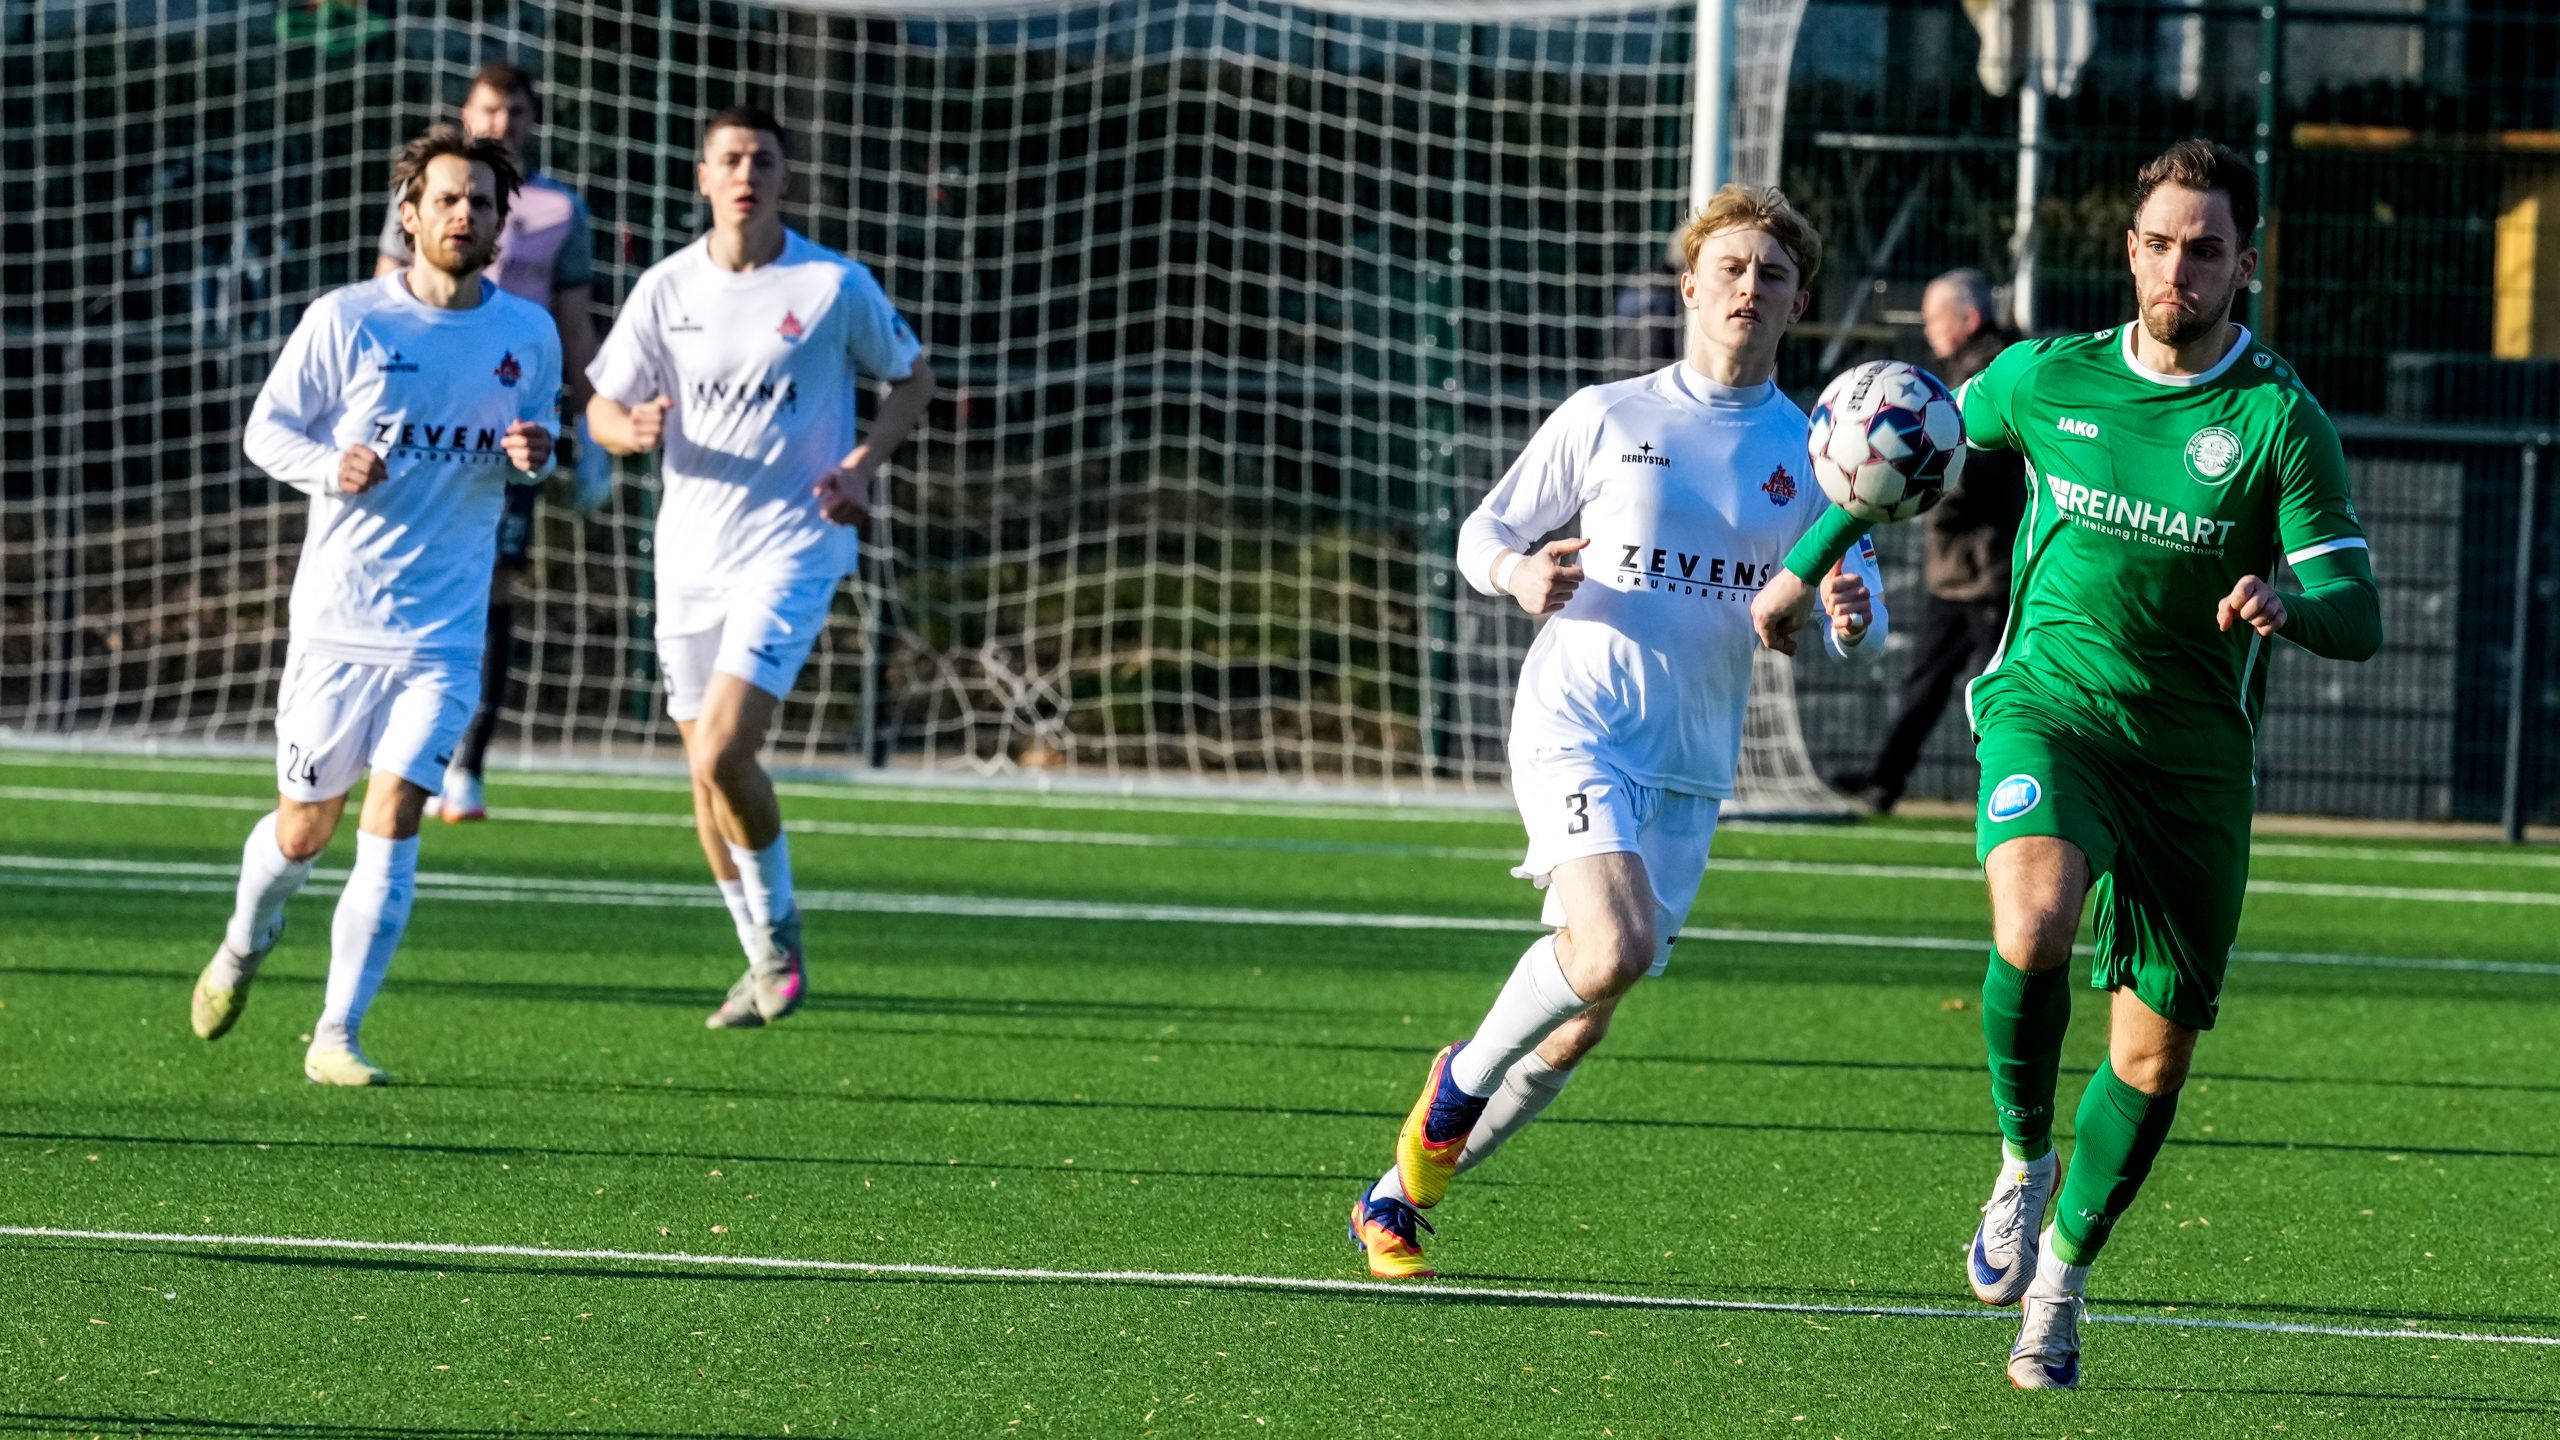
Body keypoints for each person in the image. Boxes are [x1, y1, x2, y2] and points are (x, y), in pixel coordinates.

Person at [1754, 139, 2381, 1389]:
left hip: (2193, 760)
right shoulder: (2045, 378)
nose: (2180, 266)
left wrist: (2282, 604)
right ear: (2130, 249)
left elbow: (2355, 613)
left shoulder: (2278, 423)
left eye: (2207, 248)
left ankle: (2061, 1280)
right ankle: (2020, 1156)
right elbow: (1906, 446)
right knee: (2034, 922)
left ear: (2244, 264)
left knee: (2150, 1059)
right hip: (2050, 706)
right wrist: (1805, 559)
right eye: (2161, 241)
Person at [1347, 185, 1890, 1280]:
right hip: (1577, 721)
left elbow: (1865, 629)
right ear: (1690, 286)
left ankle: (1398, 1195)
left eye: (1771, 275)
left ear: (1797, 307)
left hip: (1690, 766)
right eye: (1729, 268)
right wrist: (1515, 573)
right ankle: (1447, 1100)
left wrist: (1849, 614)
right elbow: (1482, 530)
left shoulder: (1823, 456)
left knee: (1587, 1010)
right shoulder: (1610, 414)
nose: (1748, 287)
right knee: (1611, 948)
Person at [192, 126, 561, 1084]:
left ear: (498, 222)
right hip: (336, 623)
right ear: (410, 213)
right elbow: (264, 432)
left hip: (442, 633)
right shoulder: (348, 319)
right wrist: (331, 465)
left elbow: (540, 435)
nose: (463, 214)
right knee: (304, 830)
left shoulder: (528, 333)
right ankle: (243, 939)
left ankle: (336, 1034)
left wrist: (538, 453)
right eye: (445, 199)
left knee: (395, 812)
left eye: (480, 201)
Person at [585, 107, 935, 1029]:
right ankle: (758, 958)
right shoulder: (665, 289)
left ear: (785, 177)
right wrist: (632, 431)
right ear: (702, 177)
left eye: (764, 160)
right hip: (688, 559)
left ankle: (782, 942)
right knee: (704, 775)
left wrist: (862, 463)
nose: (747, 173)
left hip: (790, 549)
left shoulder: (830, 284)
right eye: (730, 159)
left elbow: (913, 376)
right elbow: (602, 409)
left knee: (723, 748)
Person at [374, 61, 608, 824]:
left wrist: (592, 427)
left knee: (493, 590)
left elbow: (572, 330)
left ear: (533, 120)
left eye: (513, 110)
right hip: (416, 428)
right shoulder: (425, 193)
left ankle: (466, 763)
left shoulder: (558, 210)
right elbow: (383, 298)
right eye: (487, 108)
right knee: (400, 570)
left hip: (503, 435)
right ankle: (391, 737)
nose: (500, 121)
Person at [1829, 268, 2026, 812]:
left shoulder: (1993, 370)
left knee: (2003, 692)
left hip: (1991, 568)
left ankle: (2019, 787)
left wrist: (1911, 485)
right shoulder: (1964, 369)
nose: (1928, 329)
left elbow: (1980, 465)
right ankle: (1885, 782)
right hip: (1959, 569)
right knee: (1927, 682)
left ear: (1967, 319)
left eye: (1935, 318)